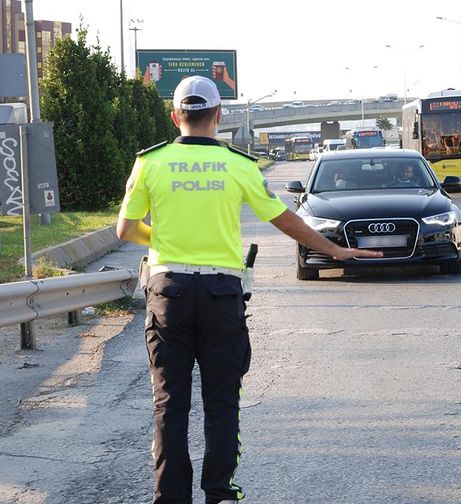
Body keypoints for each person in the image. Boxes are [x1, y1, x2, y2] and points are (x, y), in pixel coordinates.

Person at [116, 76, 381, 504]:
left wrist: (165, 241)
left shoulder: (150, 162)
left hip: (169, 294)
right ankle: (219, 494)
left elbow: (125, 229)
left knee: (170, 405)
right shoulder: (238, 164)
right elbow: (283, 219)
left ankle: (169, 499)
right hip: (222, 294)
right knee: (222, 402)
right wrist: (334, 249)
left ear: (175, 116)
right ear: (218, 118)